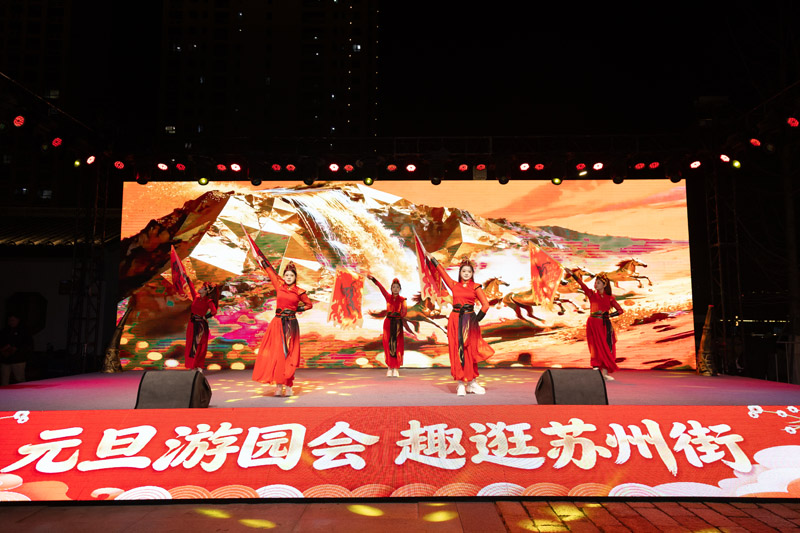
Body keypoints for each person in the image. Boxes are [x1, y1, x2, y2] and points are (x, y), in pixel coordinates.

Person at [430, 257, 494, 396]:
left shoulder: (476, 287)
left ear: (472, 273)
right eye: (464, 271)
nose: (466, 273)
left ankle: (472, 383)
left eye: (469, 271)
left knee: (469, 351)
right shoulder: (454, 285)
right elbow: (442, 273)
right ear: (460, 273)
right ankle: (460, 384)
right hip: (455, 320)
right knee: (457, 351)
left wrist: (475, 319)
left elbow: (486, 305)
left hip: (469, 321)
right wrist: (433, 259)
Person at [252, 261, 312, 397]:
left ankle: (288, 385)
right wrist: (262, 261)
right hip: (278, 323)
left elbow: (309, 305)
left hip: (291, 324)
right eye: (287, 275)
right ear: (284, 277)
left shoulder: (299, 291)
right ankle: (279, 385)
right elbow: (270, 272)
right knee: (278, 354)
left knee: (289, 355)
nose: (289, 277)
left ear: (295, 277)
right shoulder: (279, 286)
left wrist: (296, 309)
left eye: (291, 275)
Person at [566, 269, 624, 381]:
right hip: (593, 323)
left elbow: (620, 311)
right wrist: (573, 274)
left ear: (604, 285)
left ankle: (605, 374)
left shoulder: (609, 298)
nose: (595, 285)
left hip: (604, 325)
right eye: (595, 282)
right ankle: (596, 371)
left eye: (598, 283)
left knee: (605, 347)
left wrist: (609, 315)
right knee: (594, 347)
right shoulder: (591, 294)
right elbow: (582, 285)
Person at [368, 275, 407, 377]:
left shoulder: (402, 300)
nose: (395, 289)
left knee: (397, 345)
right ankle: (389, 367)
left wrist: (398, 315)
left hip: (397, 324)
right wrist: (373, 279)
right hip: (388, 323)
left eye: (397, 287)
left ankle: (396, 368)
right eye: (393, 287)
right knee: (388, 345)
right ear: (391, 288)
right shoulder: (388, 297)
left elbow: (404, 312)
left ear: (400, 289)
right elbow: (380, 287)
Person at [184, 283, 217, 371]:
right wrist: (187, 279)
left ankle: (198, 365)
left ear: (206, 291)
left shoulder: (208, 301)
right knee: (191, 344)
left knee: (199, 345)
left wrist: (205, 317)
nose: (200, 288)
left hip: (200, 325)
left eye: (202, 288)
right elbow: (191, 287)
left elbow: (214, 311)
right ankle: (191, 365)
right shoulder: (196, 297)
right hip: (192, 323)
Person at [1, 314, 32, 386]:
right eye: (9, 320)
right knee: (4, 380)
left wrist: (16, 348)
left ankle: (22, 392)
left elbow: (28, 344)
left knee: (19, 379)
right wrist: (4, 348)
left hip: (18, 359)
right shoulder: (4, 330)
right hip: (5, 359)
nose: (11, 322)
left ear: (18, 320)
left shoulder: (24, 331)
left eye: (13, 320)